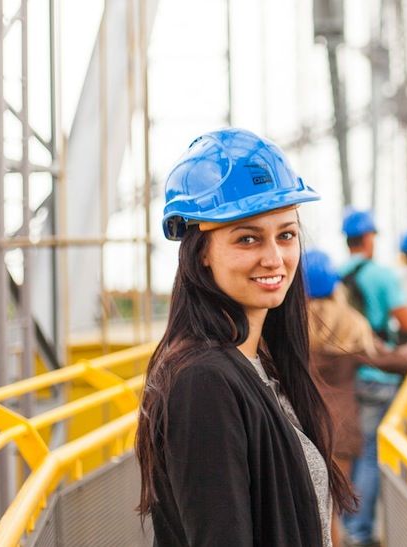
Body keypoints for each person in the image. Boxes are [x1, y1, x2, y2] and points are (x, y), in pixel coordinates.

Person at [135, 128, 353, 547]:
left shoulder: (259, 365)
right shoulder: (203, 382)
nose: (274, 258)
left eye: (286, 235)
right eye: (248, 238)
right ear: (201, 251)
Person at [339, 208, 407, 546]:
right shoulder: (381, 276)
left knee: (354, 451)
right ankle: (359, 529)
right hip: (379, 374)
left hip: (347, 375)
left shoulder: (338, 276)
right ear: (369, 238)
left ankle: (348, 524)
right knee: (372, 454)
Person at [304, 249, 407, 547]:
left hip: (302, 426)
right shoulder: (348, 323)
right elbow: (384, 359)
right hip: (341, 428)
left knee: (312, 511)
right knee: (332, 514)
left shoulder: (290, 326)